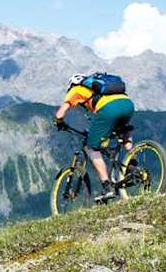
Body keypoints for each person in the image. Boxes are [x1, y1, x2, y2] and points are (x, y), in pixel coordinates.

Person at [54, 73, 135, 203]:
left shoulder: (76, 90)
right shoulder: (101, 88)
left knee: (90, 148)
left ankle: (107, 186)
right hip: (128, 104)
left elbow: (60, 114)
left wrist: (59, 122)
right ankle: (133, 165)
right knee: (122, 132)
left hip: (109, 109)